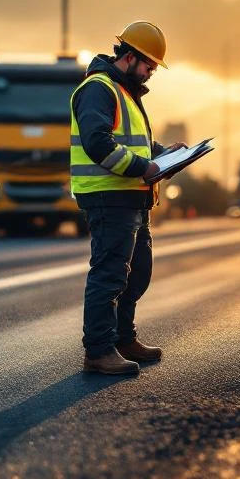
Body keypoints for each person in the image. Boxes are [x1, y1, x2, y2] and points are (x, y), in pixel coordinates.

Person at [69, 21, 186, 375]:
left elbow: (137, 144)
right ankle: (99, 351)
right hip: (108, 197)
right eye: (149, 65)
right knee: (109, 275)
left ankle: (123, 338)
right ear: (130, 57)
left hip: (133, 198)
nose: (151, 73)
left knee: (137, 274)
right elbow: (98, 142)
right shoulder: (98, 89)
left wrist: (168, 155)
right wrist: (144, 168)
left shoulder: (125, 92)